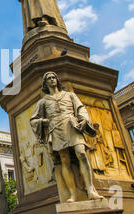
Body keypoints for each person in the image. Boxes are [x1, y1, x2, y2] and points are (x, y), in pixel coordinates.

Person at [30, 71, 103, 203]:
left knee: (81, 153)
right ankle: (72, 194)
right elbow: (33, 120)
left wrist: (84, 120)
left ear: (57, 80)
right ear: (45, 83)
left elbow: (81, 108)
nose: (52, 80)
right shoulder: (43, 102)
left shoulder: (70, 95)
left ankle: (90, 189)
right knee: (64, 160)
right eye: (49, 79)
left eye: (54, 77)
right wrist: (43, 122)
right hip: (56, 129)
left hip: (71, 125)